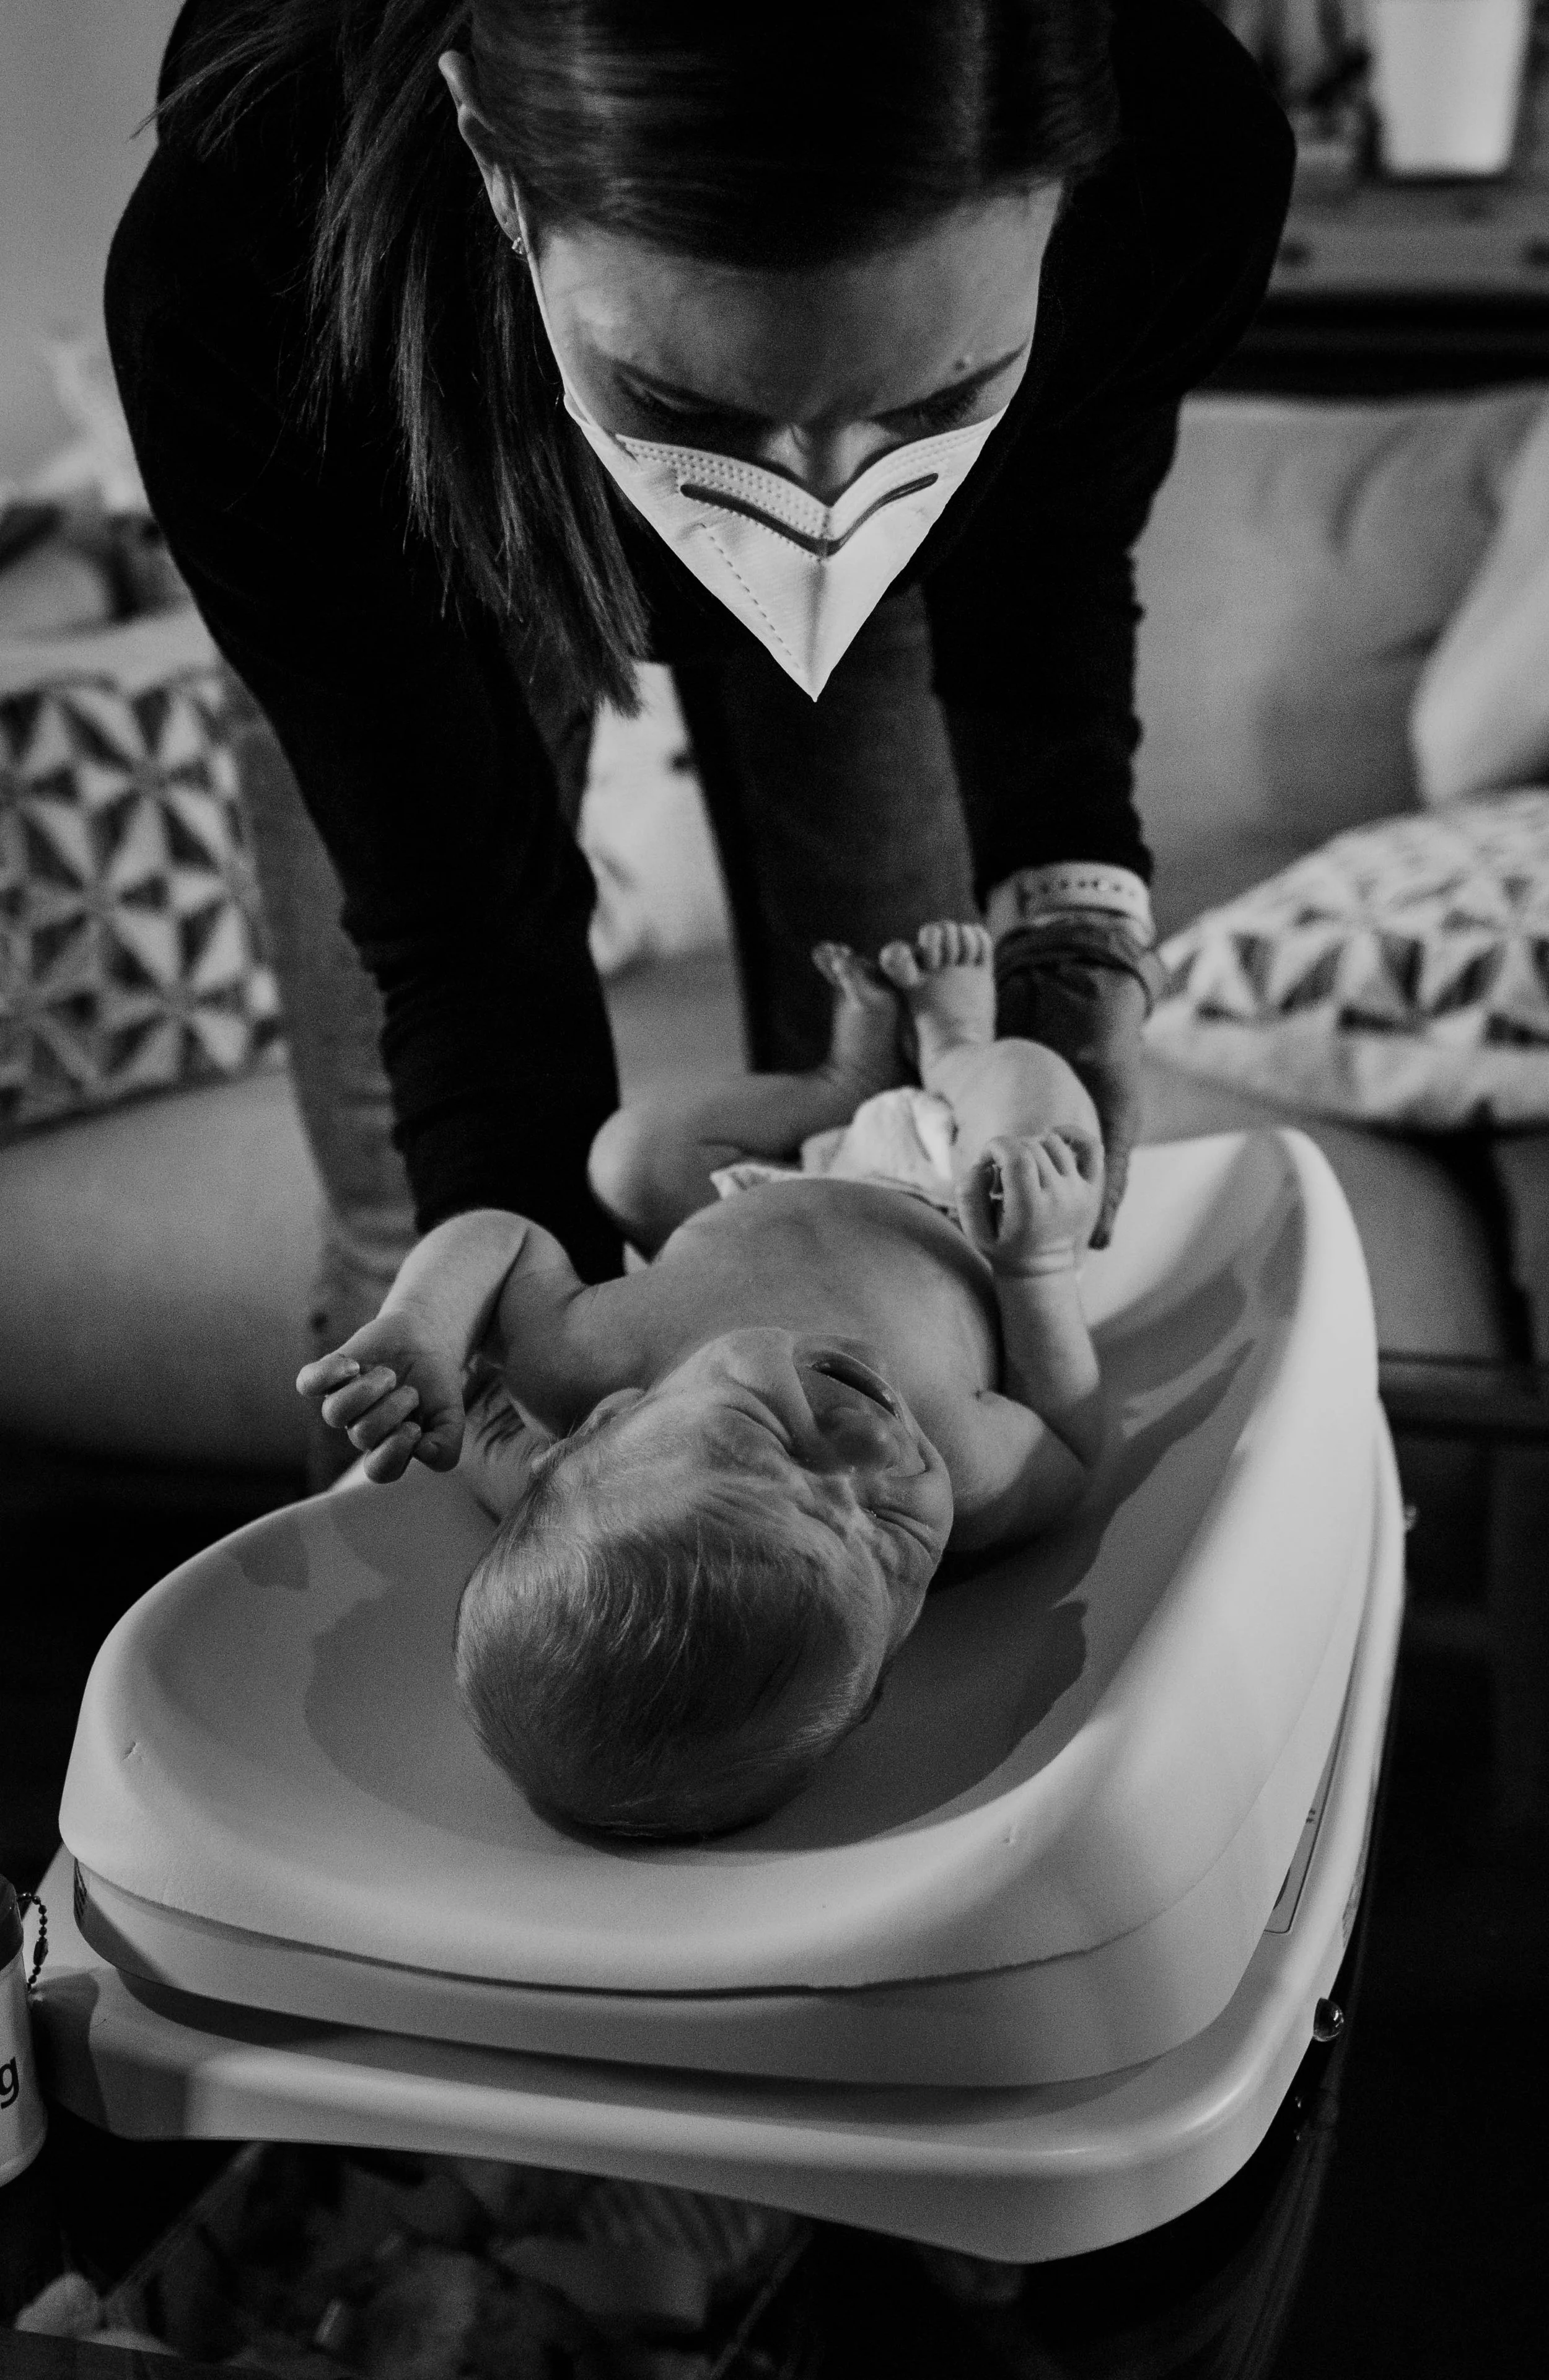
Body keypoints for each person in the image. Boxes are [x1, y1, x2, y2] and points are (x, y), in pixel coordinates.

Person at [106, 1, 1293, 1385]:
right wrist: (527, 1403)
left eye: (932, 401)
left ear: (1073, 192)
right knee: (424, 1251)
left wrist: (1070, 925)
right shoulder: (242, 257)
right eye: (692, 411)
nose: (819, 518)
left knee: (905, 1193)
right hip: (392, 436)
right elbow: (460, 932)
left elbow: (1048, 547)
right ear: (493, 160)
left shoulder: (1184, 152)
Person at [299, 923, 1105, 1836]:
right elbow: (1073, 1440)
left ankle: (838, 1087)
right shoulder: (971, 1466)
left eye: (769, 1437)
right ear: (880, 1667)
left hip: (768, 1180)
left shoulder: (591, 1356)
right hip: (957, 1196)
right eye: (889, 1538)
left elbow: (502, 1242)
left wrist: (424, 1330)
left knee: (631, 1156)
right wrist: (1037, 1268)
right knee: (1044, 1109)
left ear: (611, 1418)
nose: (873, 1451)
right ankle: (960, 1043)